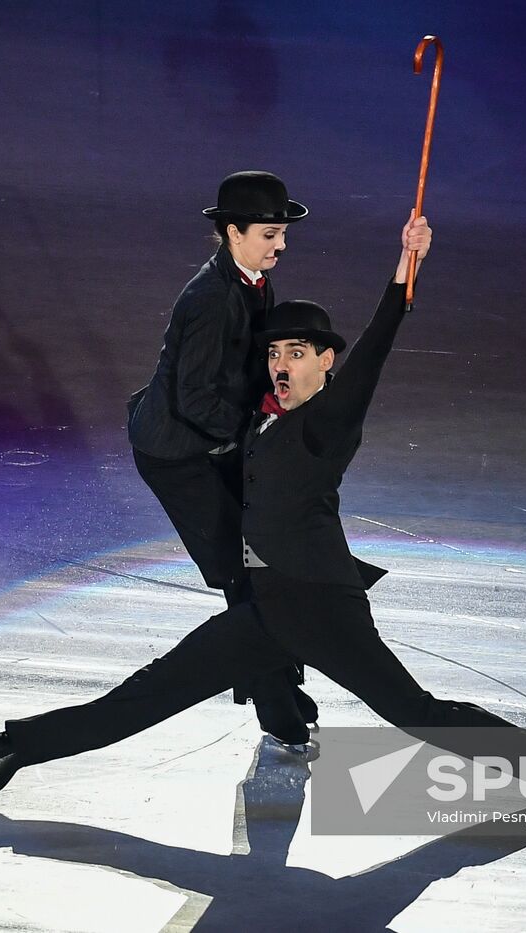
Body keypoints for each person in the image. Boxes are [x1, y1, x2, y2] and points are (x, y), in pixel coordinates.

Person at [0, 212, 526, 817]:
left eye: (298, 351)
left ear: (328, 361)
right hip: (270, 611)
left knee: (420, 713)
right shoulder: (263, 419)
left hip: (323, 609)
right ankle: (4, 751)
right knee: (145, 695)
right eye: (275, 352)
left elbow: (378, 348)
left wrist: (406, 268)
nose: (282, 363)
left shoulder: (329, 421)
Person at [126, 170, 316, 747]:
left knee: (262, 561)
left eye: (283, 233)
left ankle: (275, 684)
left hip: (216, 439)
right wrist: (253, 434)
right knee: (243, 573)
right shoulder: (210, 299)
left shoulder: (255, 281)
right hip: (178, 451)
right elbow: (193, 398)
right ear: (232, 232)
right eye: (268, 234)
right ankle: (276, 707)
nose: (280, 245)